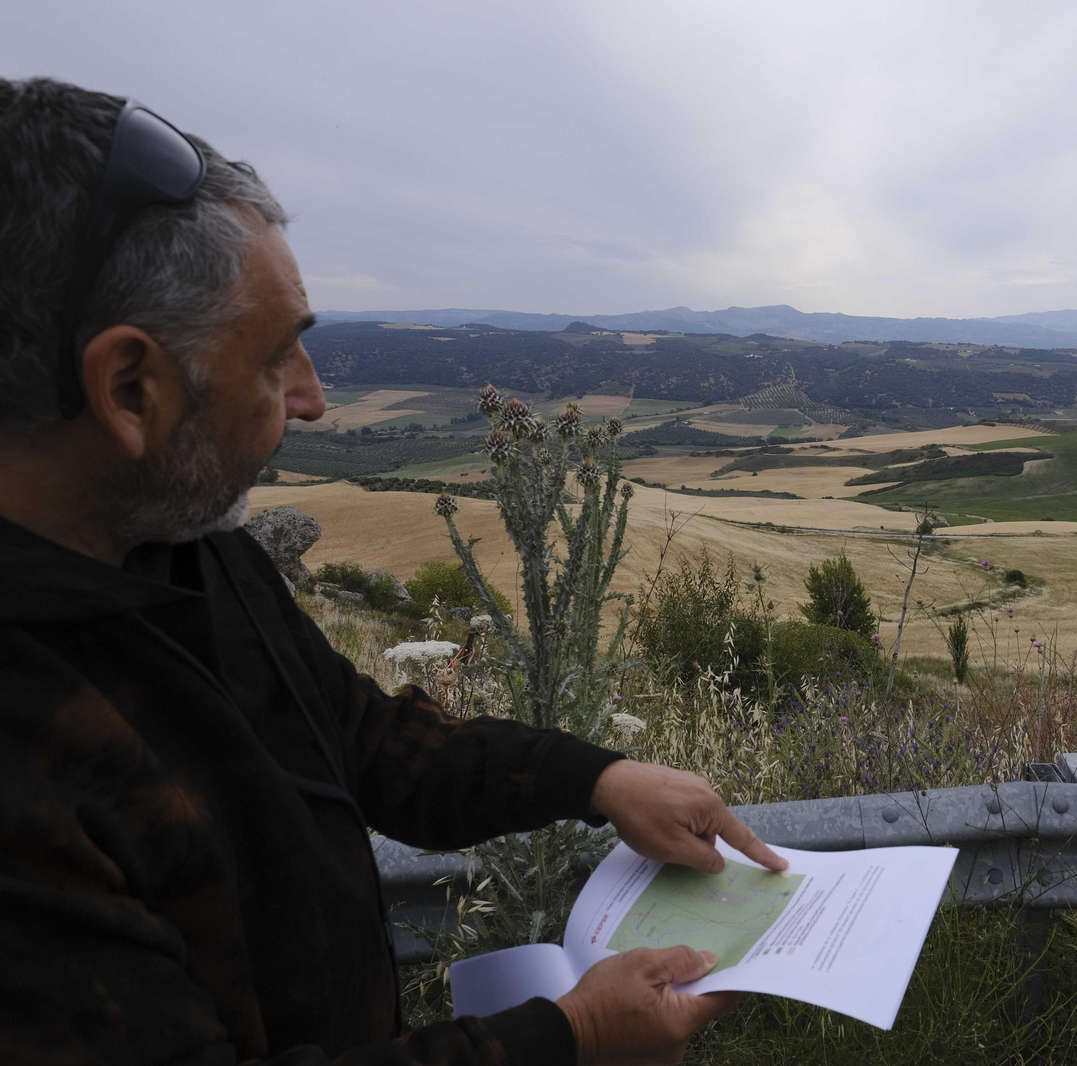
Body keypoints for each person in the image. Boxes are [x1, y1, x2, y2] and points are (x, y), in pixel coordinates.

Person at [0, 77, 786, 1066]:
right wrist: (570, 1038)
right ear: (129, 386)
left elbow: (360, 740)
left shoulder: (185, 545)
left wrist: (595, 776)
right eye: (277, 356)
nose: (315, 400)